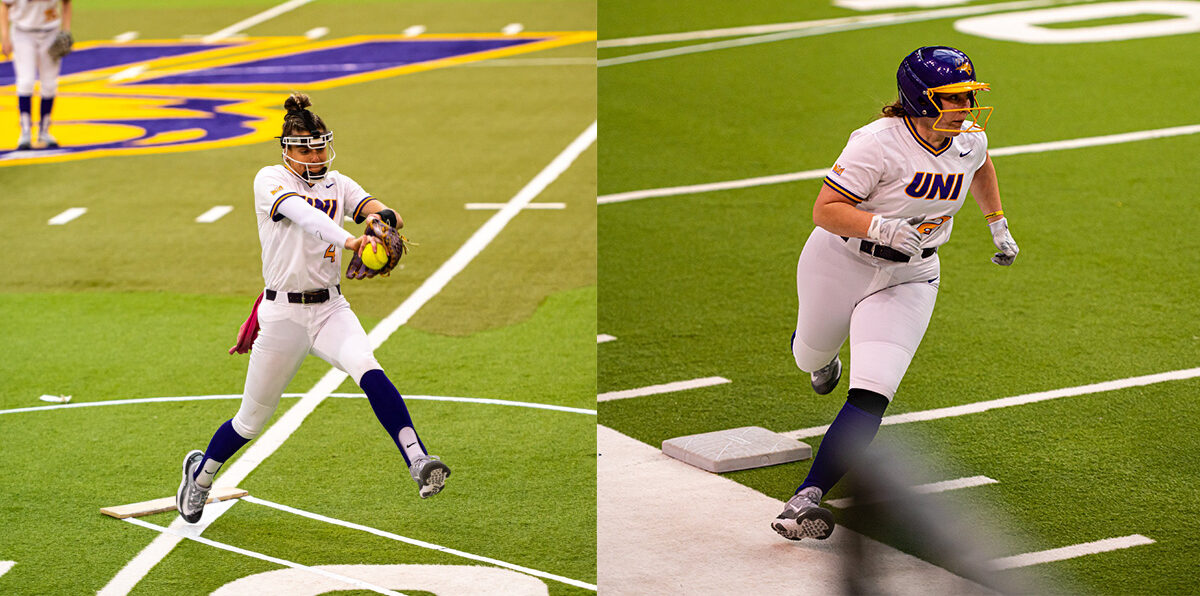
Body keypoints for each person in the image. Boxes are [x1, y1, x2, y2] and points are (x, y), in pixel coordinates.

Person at [771, 46, 1018, 541]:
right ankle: (822, 357)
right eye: (953, 97)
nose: (965, 106)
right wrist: (880, 227)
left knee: (873, 392)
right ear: (920, 99)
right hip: (840, 261)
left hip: (912, 275)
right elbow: (825, 209)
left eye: (968, 94)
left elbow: (981, 165)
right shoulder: (875, 143)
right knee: (808, 355)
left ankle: (808, 493)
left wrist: (997, 221)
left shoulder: (968, 139)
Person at [176, 93, 450, 524]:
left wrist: (383, 223)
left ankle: (418, 460)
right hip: (282, 316)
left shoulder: (339, 182)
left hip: (330, 310)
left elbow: (380, 209)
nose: (317, 153)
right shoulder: (269, 180)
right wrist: (353, 240)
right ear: (287, 149)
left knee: (368, 367)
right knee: (249, 422)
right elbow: (307, 218)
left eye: (321, 145)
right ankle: (201, 476)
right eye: (307, 146)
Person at [0, 0, 70, 150]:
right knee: (25, 81)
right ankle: (25, 133)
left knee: (50, 84)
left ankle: (44, 131)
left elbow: (66, 3)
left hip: (51, 32)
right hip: (22, 33)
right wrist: (4, 36)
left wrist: (66, 30)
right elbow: (4, 5)